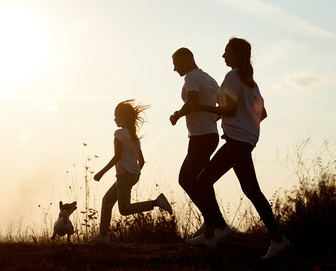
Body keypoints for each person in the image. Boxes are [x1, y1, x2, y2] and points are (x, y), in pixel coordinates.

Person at [187, 37, 290, 259]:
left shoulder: (232, 76)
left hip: (236, 142)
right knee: (251, 190)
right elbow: (262, 113)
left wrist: (201, 107)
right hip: (243, 142)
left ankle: (213, 232)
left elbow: (230, 109)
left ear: (236, 54)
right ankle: (278, 239)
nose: (223, 56)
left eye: (226, 52)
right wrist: (249, 131)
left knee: (203, 181)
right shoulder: (250, 81)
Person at [91, 99, 173, 244]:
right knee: (107, 200)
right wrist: (134, 172)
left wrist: (101, 173)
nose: (115, 119)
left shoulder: (119, 134)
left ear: (124, 118)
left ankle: (156, 202)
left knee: (124, 209)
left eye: (117, 116)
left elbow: (117, 156)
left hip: (125, 176)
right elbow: (141, 161)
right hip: (132, 175)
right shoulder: (134, 137)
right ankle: (103, 236)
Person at [169, 48, 219, 236]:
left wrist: (176, 115)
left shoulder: (191, 77)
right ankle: (212, 224)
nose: (174, 69)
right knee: (198, 180)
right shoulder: (209, 79)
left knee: (189, 180)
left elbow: (191, 103)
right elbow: (219, 107)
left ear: (187, 59)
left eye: (176, 63)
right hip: (209, 135)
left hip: (200, 137)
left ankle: (216, 224)